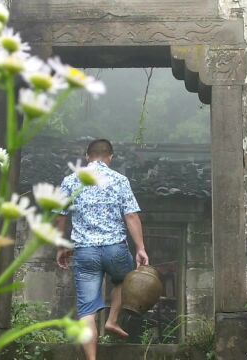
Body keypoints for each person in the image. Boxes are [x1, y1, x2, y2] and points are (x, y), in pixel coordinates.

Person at [55, 139, 149, 360]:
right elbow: (131, 216)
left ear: (87, 156)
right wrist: (140, 248)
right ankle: (112, 320)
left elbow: (60, 217)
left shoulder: (70, 180)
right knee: (124, 280)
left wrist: (60, 246)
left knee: (86, 312)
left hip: (85, 252)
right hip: (115, 249)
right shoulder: (119, 180)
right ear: (110, 157)